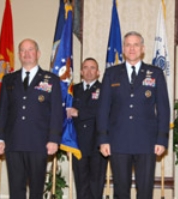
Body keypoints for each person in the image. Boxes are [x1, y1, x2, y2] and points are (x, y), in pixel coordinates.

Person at [97, 31, 170, 199]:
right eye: (128, 45)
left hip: (147, 142)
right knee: (121, 191)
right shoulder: (111, 73)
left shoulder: (156, 73)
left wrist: (161, 139)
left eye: (136, 44)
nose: (132, 48)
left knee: (145, 191)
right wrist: (103, 139)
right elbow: (103, 109)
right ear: (123, 49)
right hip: (118, 141)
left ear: (142, 48)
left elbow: (163, 109)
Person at [0, 38, 63, 199]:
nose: (27, 53)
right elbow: (3, 110)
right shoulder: (9, 79)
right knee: (16, 189)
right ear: (18, 55)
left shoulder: (50, 79)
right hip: (14, 142)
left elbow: (56, 112)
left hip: (38, 142)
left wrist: (54, 138)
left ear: (38, 53)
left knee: (36, 189)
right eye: (23, 50)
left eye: (30, 49)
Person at [66, 57, 107, 199]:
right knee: (81, 184)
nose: (89, 71)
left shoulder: (104, 90)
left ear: (98, 72)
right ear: (81, 72)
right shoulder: (73, 90)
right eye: (86, 68)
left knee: (96, 186)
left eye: (93, 68)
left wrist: (80, 113)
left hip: (98, 145)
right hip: (78, 144)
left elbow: (103, 111)